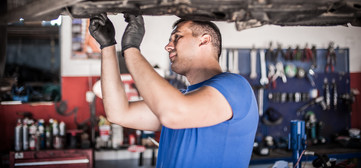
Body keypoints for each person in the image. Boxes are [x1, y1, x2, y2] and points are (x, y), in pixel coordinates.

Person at [89, 13, 259, 168]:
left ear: (204, 40)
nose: (168, 46)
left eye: (177, 37)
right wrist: (108, 46)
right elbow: (119, 113)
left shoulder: (235, 86)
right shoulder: (182, 100)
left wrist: (131, 49)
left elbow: (172, 113)